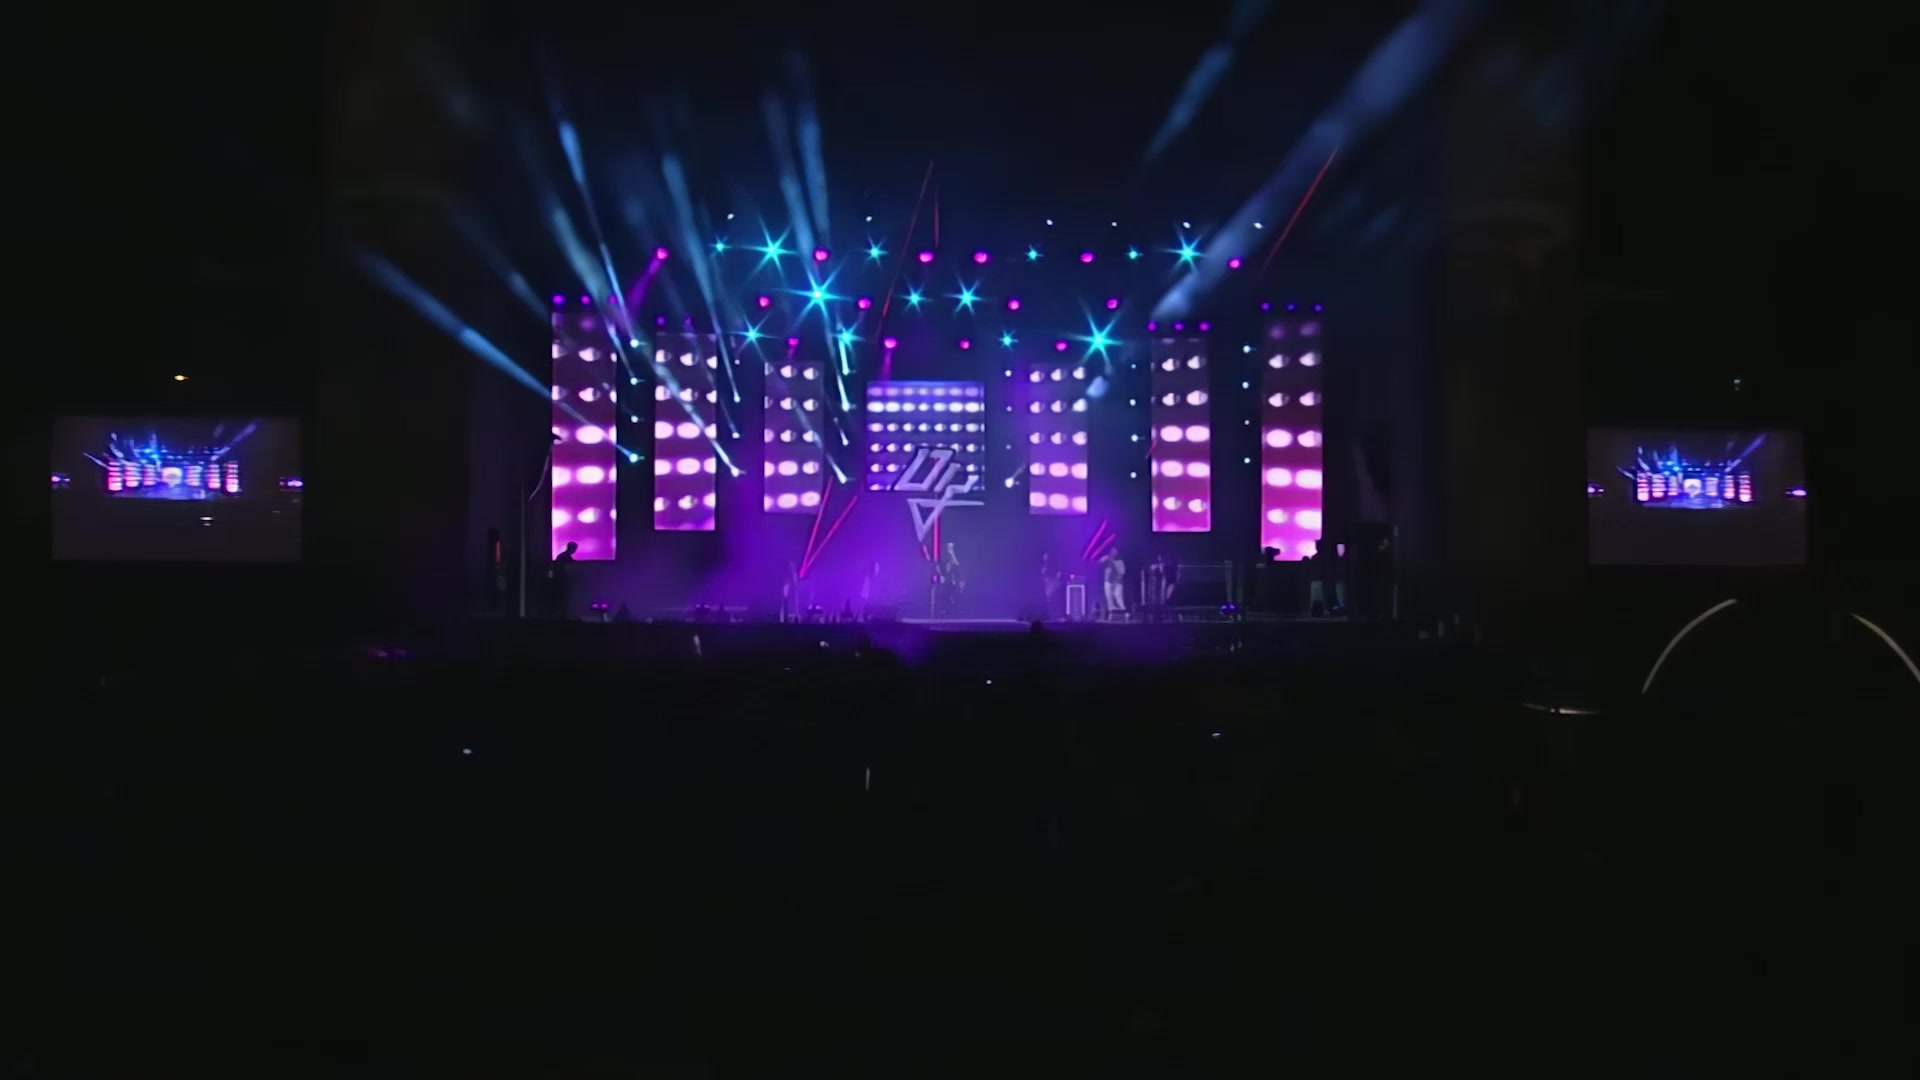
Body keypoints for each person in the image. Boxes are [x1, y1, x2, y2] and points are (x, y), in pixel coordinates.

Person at [549, 541, 578, 619]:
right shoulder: (565, 557)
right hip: (561, 580)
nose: (575, 550)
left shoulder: (562, 556)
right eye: (575, 549)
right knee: (562, 597)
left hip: (559, 579)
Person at [935, 542, 963, 616]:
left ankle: (954, 611)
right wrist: (941, 576)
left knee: (953, 595)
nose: (950, 547)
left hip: (952, 581)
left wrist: (952, 553)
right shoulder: (943, 557)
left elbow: (957, 564)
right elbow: (937, 566)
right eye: (949, 546)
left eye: (951, 546)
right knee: (944, 594)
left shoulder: (954, 556)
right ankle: (943, 610)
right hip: (945, 580)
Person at [1100, 548, 1127, 621]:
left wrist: (1116, 580)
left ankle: (1124, 611)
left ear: (1117, 553)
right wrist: (1105, 558)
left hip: (1117, 582)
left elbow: (1122, 572)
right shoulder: (1107, 559)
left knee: (1118, 595)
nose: (1113, 552)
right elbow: (1100, 562)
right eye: (1112, 551)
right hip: (1108, 581)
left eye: (1115, 551)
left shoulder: (1120, 562)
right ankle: (1111, 611)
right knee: (1108, 596)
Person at [1039, 553, 1062, 620]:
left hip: (1051, 582)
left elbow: (1058, 572)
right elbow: (1042, 574)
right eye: (1044, 556)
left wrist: (1056, 580)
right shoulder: (1043, 564)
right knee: (1048, 598)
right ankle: (1049, 614)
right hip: (1046, 583)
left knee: (1051, 598)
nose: (1045, 557)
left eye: (1046, 556)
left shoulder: (1053, 564)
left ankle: (1054, 615)